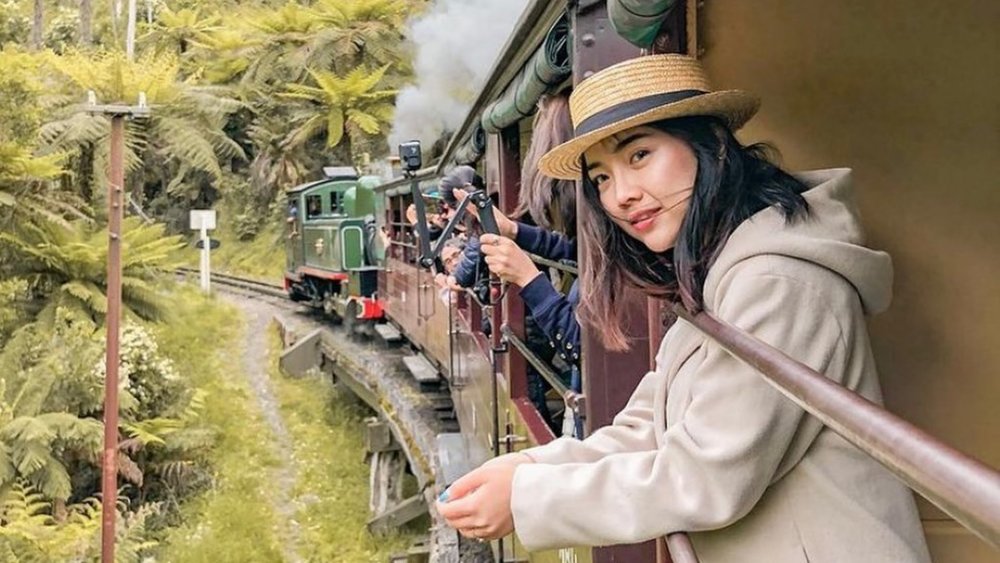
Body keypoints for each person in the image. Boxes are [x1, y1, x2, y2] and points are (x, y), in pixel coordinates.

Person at [436, 54, 931, 563]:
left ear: (710, 144)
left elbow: (709, 474)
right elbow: (649, 426)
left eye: (640, 155)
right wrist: (528, 469)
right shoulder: (720, 268)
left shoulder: (776, 280)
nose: (622, 195)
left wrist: (528, 501)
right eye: (601, 178)